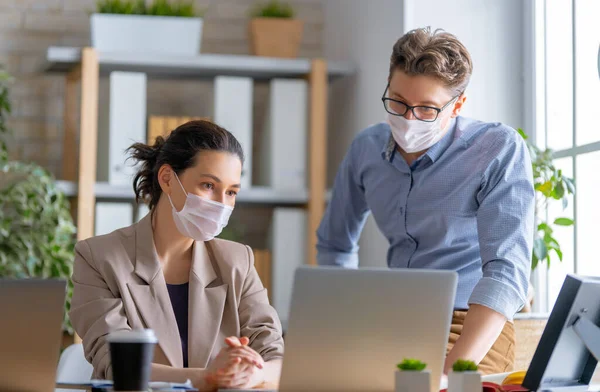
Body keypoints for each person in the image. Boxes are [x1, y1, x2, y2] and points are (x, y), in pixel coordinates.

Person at [317, 27, 534, 375]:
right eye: (398, 102)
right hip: (394, 316)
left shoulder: (497, 149)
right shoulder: (366, 149)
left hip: (471, 322)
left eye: (427, 109)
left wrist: (452, 372)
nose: (408, 119)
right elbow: (334, 245)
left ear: (458, 105)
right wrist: (341, 323)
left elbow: (507, 273)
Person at [70, 120, 283, 390]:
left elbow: (276, 356)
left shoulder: (238, 260)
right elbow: (117, 366)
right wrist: (207, 378)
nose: (221, 204)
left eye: (231, 192)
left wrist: (253, 374)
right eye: (208, 185)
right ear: (167, 179)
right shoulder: (98, 257)